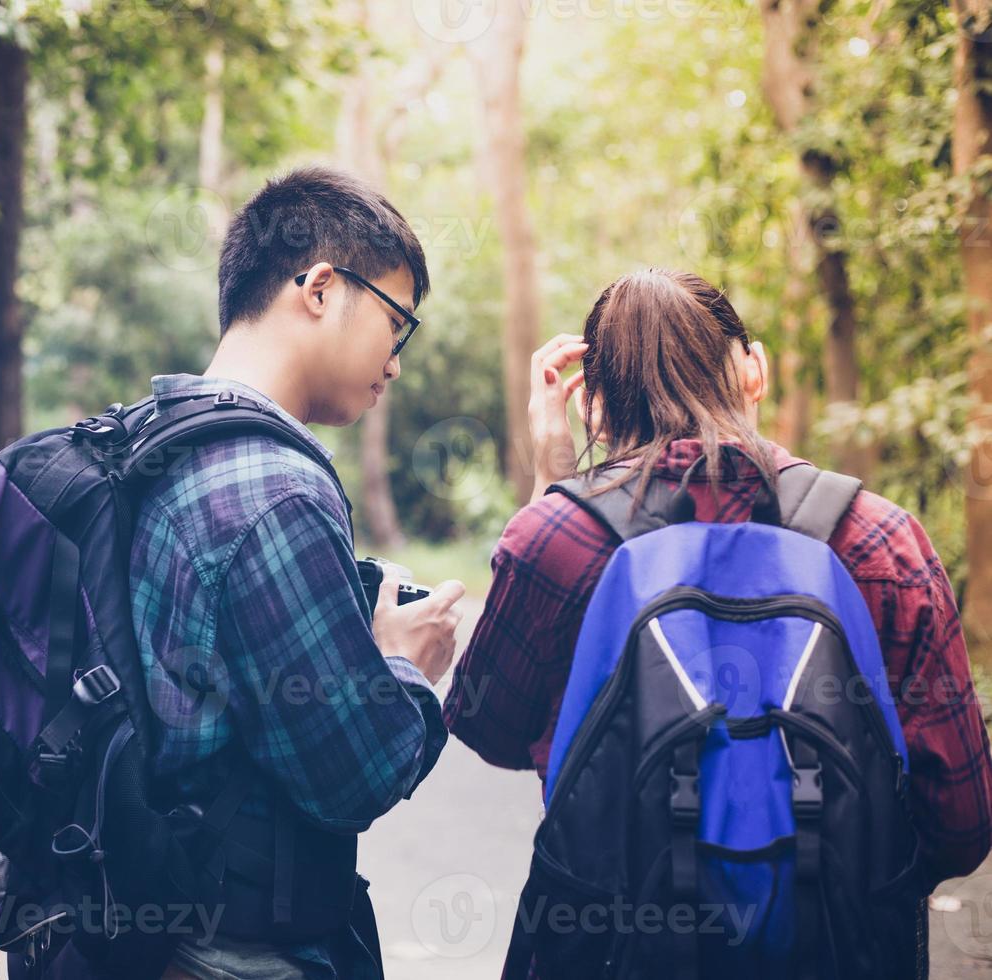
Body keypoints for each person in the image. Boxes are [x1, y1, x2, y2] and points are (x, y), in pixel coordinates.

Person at [444, 267, 992, 975]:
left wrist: (554, 487)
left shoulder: (553, 540)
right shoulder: (881, 539)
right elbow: (962, 824)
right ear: (754, 371)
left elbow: (493, 729)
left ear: (596, 411)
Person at [129, 165, 466, 980]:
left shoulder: (150, 436)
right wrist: (402, 667)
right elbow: (351, 777)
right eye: (397, 322)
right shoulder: (275, 489)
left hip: (136, 927)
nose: (395, 361)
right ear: (319, 287)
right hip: (233, 950)